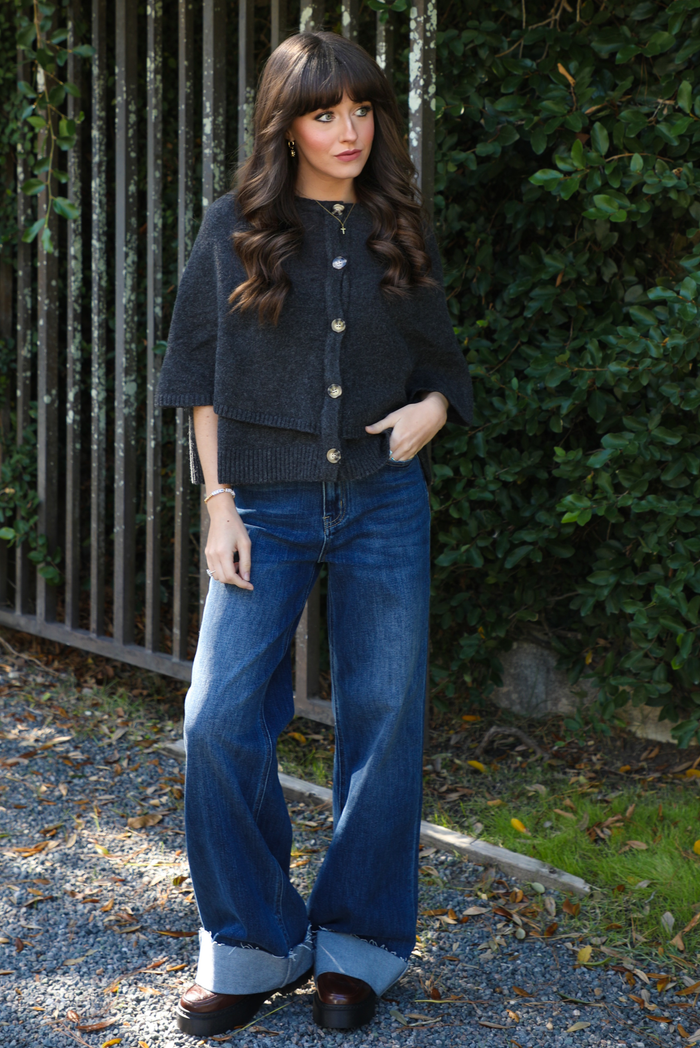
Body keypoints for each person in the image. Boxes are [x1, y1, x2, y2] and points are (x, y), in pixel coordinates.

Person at [155, 29, 472, 1038]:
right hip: (267, 507)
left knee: (383, 721)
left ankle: (357, 946)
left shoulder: (394, 225)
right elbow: (196, 377)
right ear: (285, 125)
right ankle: (254, 941)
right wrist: (218, 507)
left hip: (382, 503)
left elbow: (443, 365)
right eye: (325, 113)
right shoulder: (239, 225)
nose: (349, 131)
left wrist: (432, 413)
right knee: (216, 716)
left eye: (362, 111)